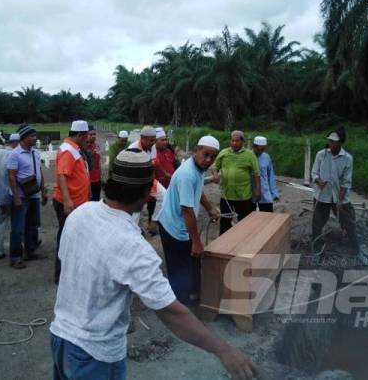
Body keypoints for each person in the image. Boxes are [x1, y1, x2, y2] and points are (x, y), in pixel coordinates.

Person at [50, 150, 257, 380]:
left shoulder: (80, 214)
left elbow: (70, 262)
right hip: (95, 355)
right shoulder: (133, 246)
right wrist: (224, 351)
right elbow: (170, 312)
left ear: (110, 182)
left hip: (60, 337)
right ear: (148, 191)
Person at [158, 136, 221, 304]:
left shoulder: (198, 169)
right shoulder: (187, 174)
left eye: (212, 157)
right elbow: (187, 210)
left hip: (180, 224)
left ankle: (192, 293)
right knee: (180, 268)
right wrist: (196, 241)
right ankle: (180, 303)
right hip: (173, 227)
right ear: (195, 151)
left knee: (192, 262)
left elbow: (198, 191)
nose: (208, 160)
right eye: (205, 154)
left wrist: (209, 208)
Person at [310, 128, 359, 255]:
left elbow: (346, 182)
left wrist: (340, 201)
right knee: (317, 223)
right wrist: (318, 180)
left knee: (348, 221)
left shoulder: (347, 159)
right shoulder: (321, 155)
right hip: (322, 195)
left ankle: (355, 248)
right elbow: (314, 172)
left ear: (340, 143)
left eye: (334, 142)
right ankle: (316, 246)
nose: (331, 144)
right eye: (330, 141)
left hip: (339, 196)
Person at [52, 120, 90, 284]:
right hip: (69, 203)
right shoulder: (69, 150)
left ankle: (70, 271)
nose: (88, 139)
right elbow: (62, 175)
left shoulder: (74, 148)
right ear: (80, 135)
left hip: (77, 202)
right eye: (86, 136)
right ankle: (61, 275)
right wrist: (67, 201)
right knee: (67, 238)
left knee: (73, 238)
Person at [7, 124, 48, 269]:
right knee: (18, 227)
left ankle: (30, 251)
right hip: (21, 196)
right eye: (32, 136)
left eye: (35, 135)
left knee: (33, 225)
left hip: (34, 194)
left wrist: (43, 191)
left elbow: (40, 173)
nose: (35, 138)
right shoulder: (14, 154)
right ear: (23, 138)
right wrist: (16, 197)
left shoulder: (35, 153)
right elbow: (11, 176)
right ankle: (15, 256)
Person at [210, 130, 260, 234]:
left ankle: (244, 242)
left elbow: (256, 174)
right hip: (226, 195)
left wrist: (257, 190)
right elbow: (215, 166)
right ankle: (223, 244)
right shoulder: (224, 152)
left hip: (243, 196)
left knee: (244, 222)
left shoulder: (250, 155)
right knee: (225, 222)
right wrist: (215, 174)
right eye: (232, 141)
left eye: (237, 141)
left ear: (243, 142)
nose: (234, 143)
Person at [0, 133, 20, 261]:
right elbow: (11, 176)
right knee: (17, 222)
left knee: (0, 224)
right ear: (16, 143)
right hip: (10, 193)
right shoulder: (13, 155)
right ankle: (18, 246)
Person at [252, 136, 280, 212]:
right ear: (254, 146)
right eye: (259, 149)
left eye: (263, 149)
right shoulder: (248, 156)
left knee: (267, 216)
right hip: (250, 192)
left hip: (264, 191)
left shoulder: (266, 157)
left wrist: (274, 193)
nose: (260, 151)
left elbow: (271, 175)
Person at [86, 125, 102, 201]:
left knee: (96, 201)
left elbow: (98, 162)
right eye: (91, 134)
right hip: (88, 181)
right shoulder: (84, 147)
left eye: (94, 134)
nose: (93, 136)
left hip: (97, 179)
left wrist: (100, 176)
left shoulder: (96, 146)